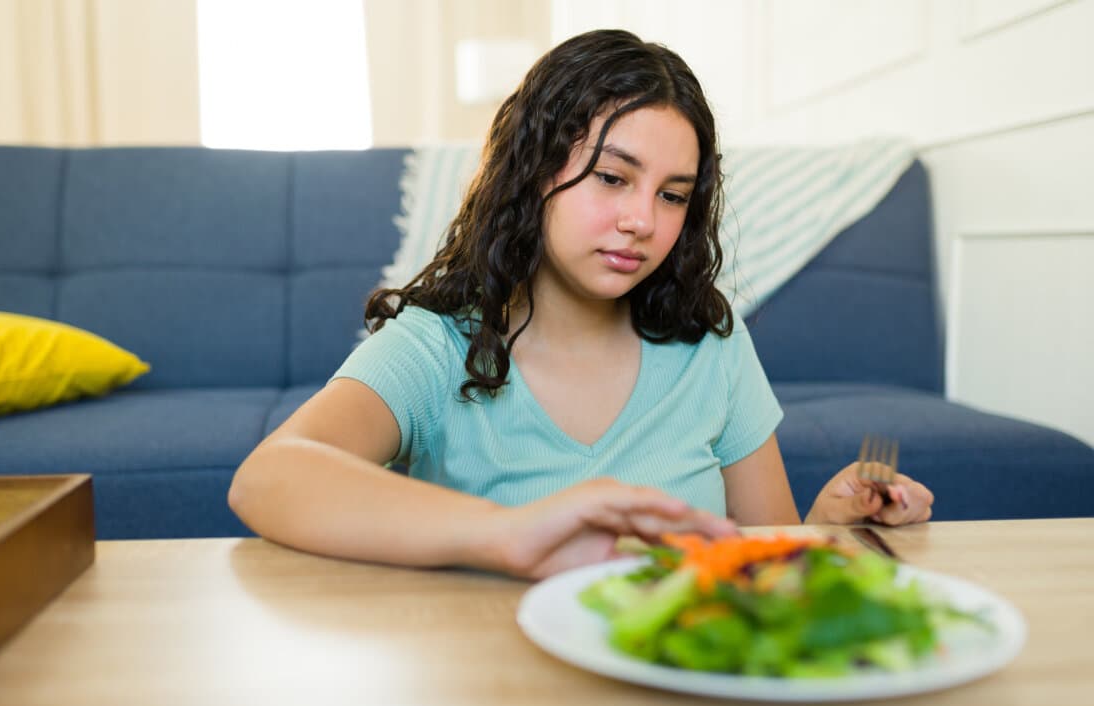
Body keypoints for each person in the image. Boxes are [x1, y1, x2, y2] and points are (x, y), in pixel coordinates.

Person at [228, 29, 933, 580]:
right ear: (533, 173)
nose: (642, 220)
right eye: (612, 177)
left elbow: (761, 557)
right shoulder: (436, 345)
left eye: (672, 195)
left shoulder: (711, 342)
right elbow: (268, 479)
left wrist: (827, 526)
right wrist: (508, 535)